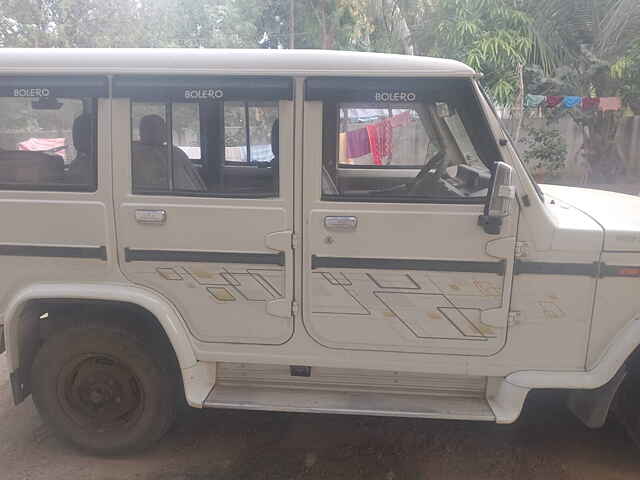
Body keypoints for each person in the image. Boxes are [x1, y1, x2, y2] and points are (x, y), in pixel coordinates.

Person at [132, 114, 205, 192]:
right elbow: (189, 189)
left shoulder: (129, 150)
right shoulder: (173, 153)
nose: (165, 132)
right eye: (160, 129)